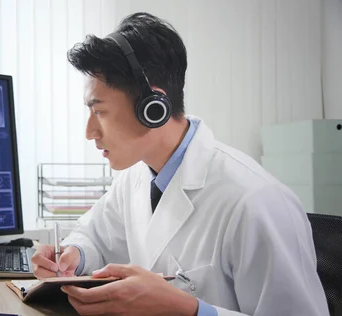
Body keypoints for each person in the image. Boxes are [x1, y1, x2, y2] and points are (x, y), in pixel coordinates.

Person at [31, 12, 329, 316]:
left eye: (101, 112)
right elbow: (95, 236)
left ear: (153, 108)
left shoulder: (256, 202)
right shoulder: (136, 176)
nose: (89, 132)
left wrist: (189, 310)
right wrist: (73, 255)